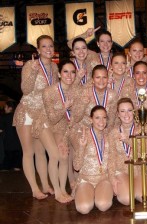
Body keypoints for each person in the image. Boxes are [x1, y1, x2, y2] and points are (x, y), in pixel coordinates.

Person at [13, 35, 57, 199]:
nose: (48, 49)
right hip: (27, 111)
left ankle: (45, 184)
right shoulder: (30, 65)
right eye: (44, 46)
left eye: (51, 46)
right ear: (38, 50)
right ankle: (34, 189)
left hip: (42, 115)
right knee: (29, 151)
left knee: (41, 151)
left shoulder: (54, 68)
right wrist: (32, 72)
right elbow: (25, 89)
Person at [39, 60, 79, 203]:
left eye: (73, 72)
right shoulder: (49, 91)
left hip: (61, 127)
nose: (69, 75)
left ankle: (63, 189)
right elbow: (52, 118)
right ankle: (57, 192)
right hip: (45, 124)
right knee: (55, 155)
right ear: (59, 74)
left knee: (64, 155)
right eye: (65, 71)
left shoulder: (76, 90)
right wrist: (64, 107)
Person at [108, 98, 147, 205]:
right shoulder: (113, 133)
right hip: (121, 171)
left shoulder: (143, 129)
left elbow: (146, 152)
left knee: (144, 197)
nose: (126, 114)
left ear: (134, 112)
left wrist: (128, 141)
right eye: (122, 111)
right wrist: (112, 177)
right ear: (118, 114)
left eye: (129, 110)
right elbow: (111, 157)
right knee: (127, 199)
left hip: (140, 170)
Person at [73, 105, 113, 214]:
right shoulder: (83, 135)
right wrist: (81, 147)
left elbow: (113, 161)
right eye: (97, 118)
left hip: (104, 178)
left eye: (104, 118)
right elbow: (76, 166)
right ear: (91, 119)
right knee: (83, 208)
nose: (101, 121)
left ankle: (99, 194)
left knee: (103, 205)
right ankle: (88, 194)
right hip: (86, 179)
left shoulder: (109, 136)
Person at [121, 61, 147, 133]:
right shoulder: (127, 89)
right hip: (131, 130)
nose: (141, 76)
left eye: (144, 73)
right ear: (133, 75)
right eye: (138, 73)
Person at [0, 100, 22, 170]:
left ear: (10, 108)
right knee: (17, 166)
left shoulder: (4, 117)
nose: (4, 108)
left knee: (6, 166)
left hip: (8, 144)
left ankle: (6, 180)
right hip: (19, 144)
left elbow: (0, 129)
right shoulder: (19, 117)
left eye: (6, 107)